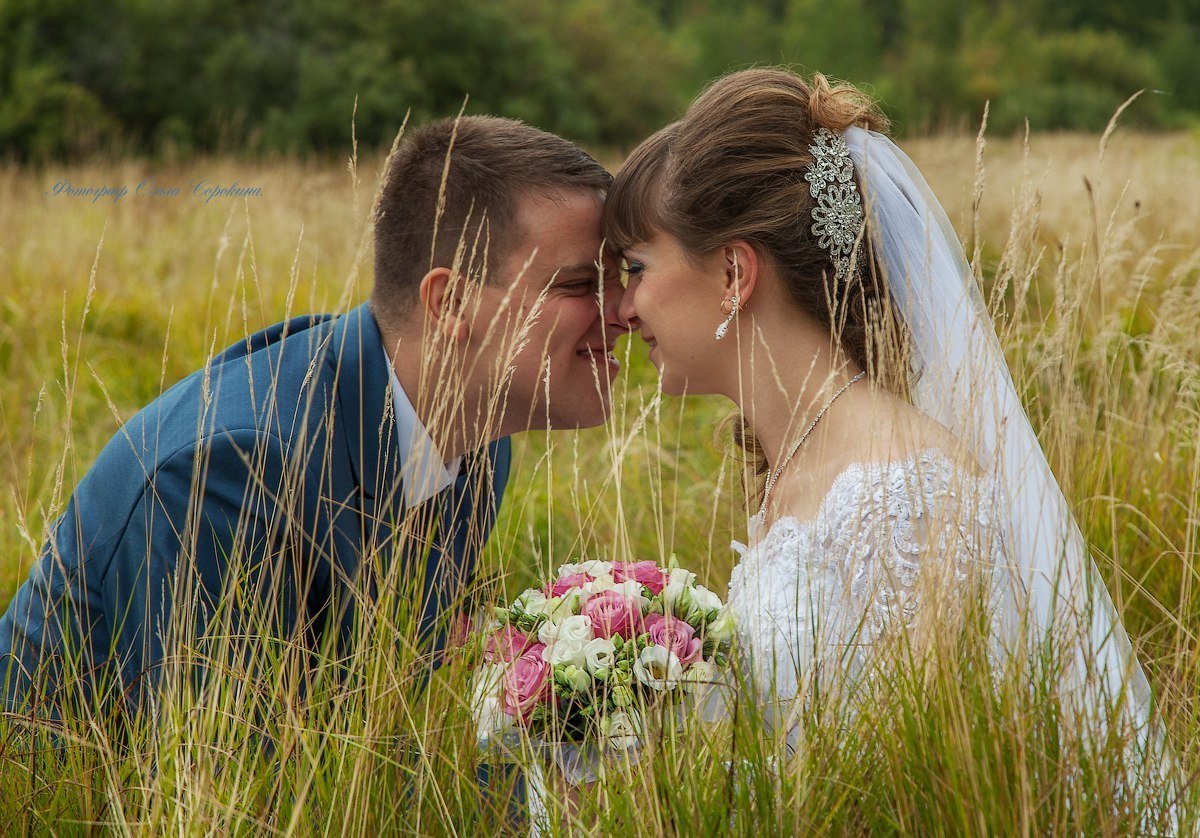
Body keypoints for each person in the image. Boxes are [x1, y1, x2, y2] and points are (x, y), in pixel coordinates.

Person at [603, 68, 1167, 789]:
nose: (620, 309)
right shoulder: (801, 463)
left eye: (635, 268)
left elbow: (905, 783)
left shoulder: (903, 487)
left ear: (734, 273)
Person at [0, 115, 630, 717]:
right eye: (579, 285)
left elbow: (379, 721)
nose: (623, 311)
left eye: (621, 280)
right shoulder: (228, 468)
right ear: (453, 301)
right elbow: (229, 789)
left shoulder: (478, 440)